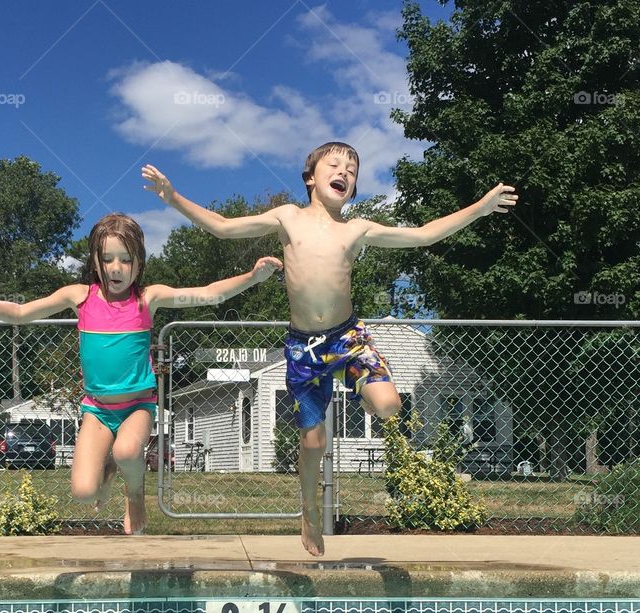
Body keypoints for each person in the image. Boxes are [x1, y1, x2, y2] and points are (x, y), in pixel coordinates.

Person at [142, 142, 516, 555]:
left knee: (389, 405)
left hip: (347, 338)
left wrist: (480, 208)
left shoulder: (357, 229)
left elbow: (424, 235)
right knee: (314, 443)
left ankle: (362, 390)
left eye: (351, 171)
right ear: (310, 178)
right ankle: (308, 512)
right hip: (303, 348)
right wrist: (173, 198)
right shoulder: (287, 217)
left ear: (353, 188)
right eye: (334, 165)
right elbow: (223, 227)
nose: (343, 172)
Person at [0, 213, 282, 535]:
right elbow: (20, 312)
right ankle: (108, 473)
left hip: (138, 406)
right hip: (97, 409)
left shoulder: (148, 298)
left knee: (127, 451)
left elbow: (208, 294)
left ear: (139, 263)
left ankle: (135, 493)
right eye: (107, 259)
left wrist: (252, 277)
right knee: (83, 492)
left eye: (126, 259)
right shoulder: (80, 296)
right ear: (95, 261)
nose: (116, 268)